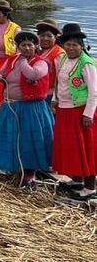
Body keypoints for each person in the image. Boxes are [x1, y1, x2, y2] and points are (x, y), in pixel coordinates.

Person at [0, 30, 53, 187]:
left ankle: (29, 173)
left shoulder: (41, 62)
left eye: (30, 45)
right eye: (23, 45)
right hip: (11, 106)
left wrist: (23, 61)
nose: (26, 48)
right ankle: (14, 167)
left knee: (28, 141)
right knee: (12, 138)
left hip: (31, 109)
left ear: (35, 46)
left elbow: (33, 75)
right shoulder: (12, 60)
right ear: (18, 47)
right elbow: (2, 73)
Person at [51, 23, 97, 200]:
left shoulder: (87, 63)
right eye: (67, 44)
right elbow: (59, 82)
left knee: (86, 149)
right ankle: (77, 180)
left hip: (81, 112)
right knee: (71, 148)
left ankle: (90, 187)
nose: (70, 48)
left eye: (74, 45)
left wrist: (88, 113)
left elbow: (94, 91)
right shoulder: (63, 59)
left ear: (81, 46)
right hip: (65, 110)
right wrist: (55, 99)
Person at [34, 19, 65, 103]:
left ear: (55, 37)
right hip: (37, 93)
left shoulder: (58, 54)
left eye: (49, 36)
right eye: (42, 35)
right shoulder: (37, 52)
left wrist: (55, 98)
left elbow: (61, 79)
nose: (45, 38)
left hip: (50, 96)